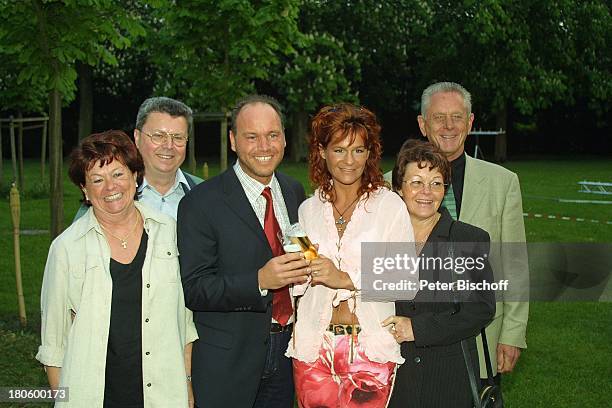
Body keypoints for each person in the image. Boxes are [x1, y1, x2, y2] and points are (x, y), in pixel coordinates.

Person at [36, 130, 198, 407]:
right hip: (91, 396)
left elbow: (184, 323)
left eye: (118, 174)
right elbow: (53, 343)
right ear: (85, 191)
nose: (110, 187)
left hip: (163, 395)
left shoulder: (170, 233)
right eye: (97, 180)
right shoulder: (66, 248)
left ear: (136, 177)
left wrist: (187, 385)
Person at [177, 95, 310, 408]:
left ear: (284, 139)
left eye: (272, 135)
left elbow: (299, 248)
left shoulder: (293, 191)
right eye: (252, 137)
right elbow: (193, 288)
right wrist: (259, 281)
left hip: (287, 352)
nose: (264, 146)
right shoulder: (200, 203)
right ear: (234, 141)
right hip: (228, 362)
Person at [286, 104, 415, 408]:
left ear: (370, 153)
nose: (349, 161)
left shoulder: (388, 206)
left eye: (359, 150)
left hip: (370, 348)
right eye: (339, 149)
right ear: (321, 151)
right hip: (313, 347)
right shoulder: (308, 210)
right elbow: (298, 287)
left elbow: (405, 279)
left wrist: (343, 278)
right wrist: (299, 270)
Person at [412, 81, 528, 384]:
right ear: (423, 124)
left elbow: (514, 264)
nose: (448, 126)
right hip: (414, 343)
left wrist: (513, 333)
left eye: (457, 117)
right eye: (438, 117)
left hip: (482, 339)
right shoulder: (390, 186)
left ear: (471, 122)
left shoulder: (503, 183)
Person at [385, 139, 495, 407]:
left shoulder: (468, 238)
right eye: (416, 182)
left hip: (447, 380)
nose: (427, 191)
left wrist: (417, 328)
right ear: (399, 188)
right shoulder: (382, 239)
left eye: (436, 183)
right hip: (391, 378)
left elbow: (481, 308)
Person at [75, 96, 202, 221]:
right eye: (158, 136)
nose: (169, 146)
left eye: (178, 137)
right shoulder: (111, 195)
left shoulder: (206, 193)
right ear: (137, 137)